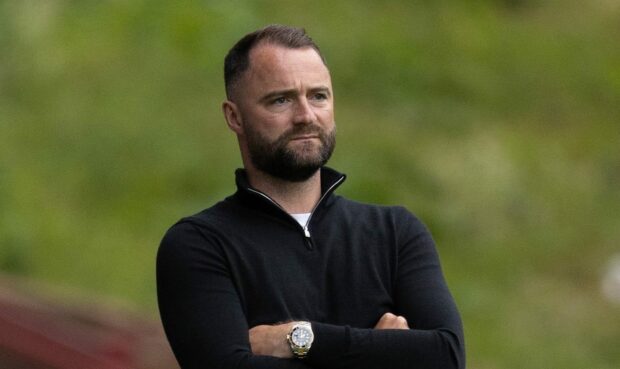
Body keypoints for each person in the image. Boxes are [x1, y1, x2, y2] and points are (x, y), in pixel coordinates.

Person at [156, 24, 465, 369]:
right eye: (281, 100)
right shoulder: (200, 245)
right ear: (235, 117)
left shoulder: (395, 233)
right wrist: (382, 351)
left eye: (318, 96)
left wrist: (300, 338)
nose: (305, 116)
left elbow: (446, 357)